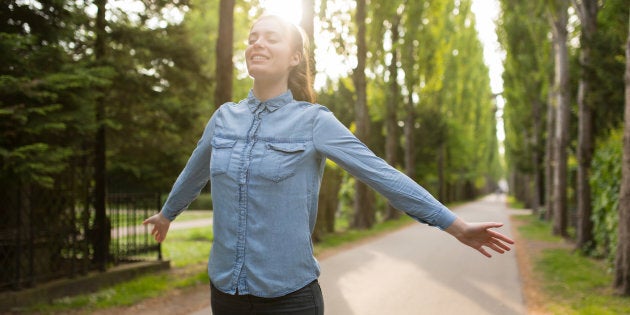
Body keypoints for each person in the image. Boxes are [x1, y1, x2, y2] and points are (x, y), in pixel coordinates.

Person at [143, 14, 515, 315]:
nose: (257, 42)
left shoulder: (314, 122)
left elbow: (382, 175)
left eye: (271, 37)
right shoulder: (224, 118)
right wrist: (167, 214)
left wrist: (455, 225)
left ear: (294, 58)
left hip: (290, 301)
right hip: (226, 294)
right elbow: (195, 172)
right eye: (253, 37)